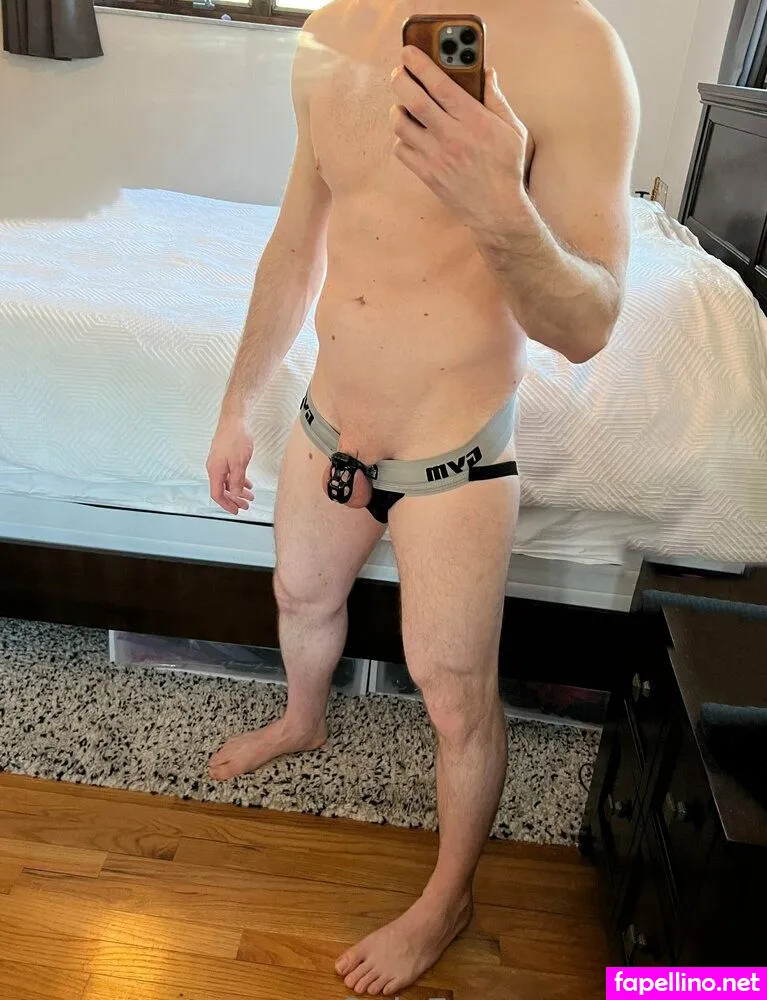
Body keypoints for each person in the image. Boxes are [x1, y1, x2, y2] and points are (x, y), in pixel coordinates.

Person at [206, 0, 639, 993]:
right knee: (300, 595)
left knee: (452, 693)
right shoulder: (327, 31)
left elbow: (588, 325)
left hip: (456, 453)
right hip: (329, 425)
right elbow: (294, 245)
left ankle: (448, 901)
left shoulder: (576, 49)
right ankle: (303, 717)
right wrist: (236, 403)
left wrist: (498, 203)